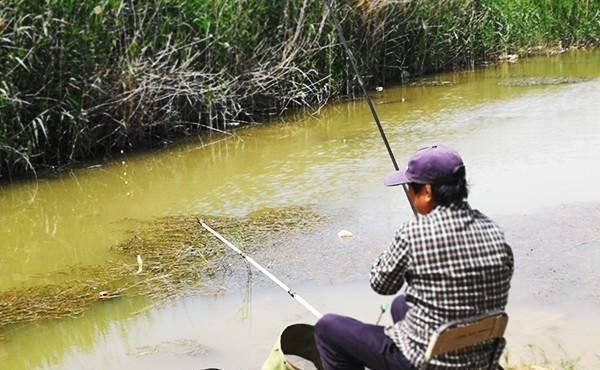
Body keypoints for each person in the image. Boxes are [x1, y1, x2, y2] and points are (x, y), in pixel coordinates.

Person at [314, 144, 514, 370]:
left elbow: (381, 285)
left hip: (429, 363)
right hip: (480, 359)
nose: (409, 193)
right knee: (401, 304)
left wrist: (394, 251)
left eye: (411, 188)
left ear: (427, 192)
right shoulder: (494, 232)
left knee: (327, 327)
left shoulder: (413, 233)